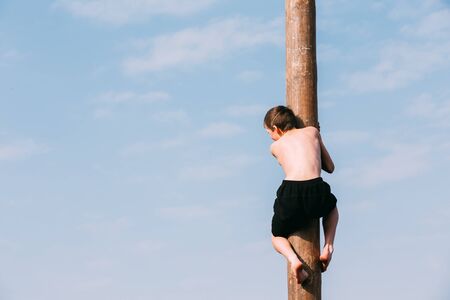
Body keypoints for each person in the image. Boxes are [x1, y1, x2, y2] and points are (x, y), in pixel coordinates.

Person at [263, 105, 339, 284]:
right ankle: (328, 246)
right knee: (331, 208)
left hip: (291, 190)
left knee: (277, 235)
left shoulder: (275, 146)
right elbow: (330, 167)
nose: (270, 137)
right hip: (316, 187)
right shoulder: (312, 132)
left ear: (276, 129)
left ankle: (294, 260)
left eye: (268, 132)